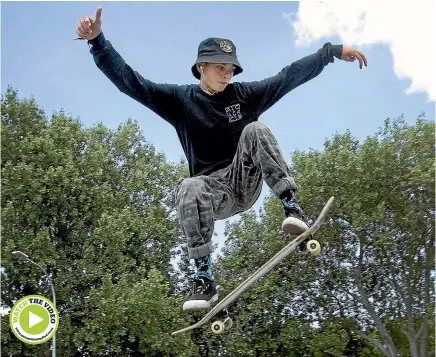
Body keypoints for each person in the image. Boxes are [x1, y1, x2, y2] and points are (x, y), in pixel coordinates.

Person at [75, 7, 367, 312]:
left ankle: (292, 207)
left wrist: (331, 52)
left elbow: (288, 77)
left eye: (231, 70)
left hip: (245, 178)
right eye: (220, 68)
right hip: (213, 194)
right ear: (202, 66)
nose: (227, 76)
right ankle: (204, 278)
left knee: (255, 129)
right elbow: (132, 83)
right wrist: (98, 43)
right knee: (188, 186)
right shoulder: (179, 101)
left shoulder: (245, 94)